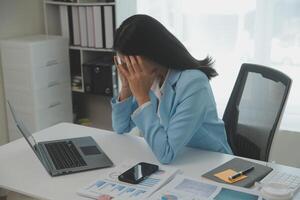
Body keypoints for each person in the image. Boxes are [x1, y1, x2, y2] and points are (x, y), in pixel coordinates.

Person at [111, 14, 232, 165]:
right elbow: (120, 127)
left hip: (211, 164)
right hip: (183, 160)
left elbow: (165, 154)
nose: (128, 69)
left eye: (130, 63)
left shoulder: (194, 83)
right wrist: (126, 87)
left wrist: (142, 97)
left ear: (151, 53)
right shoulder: (152, 77)